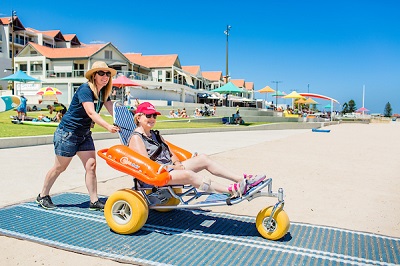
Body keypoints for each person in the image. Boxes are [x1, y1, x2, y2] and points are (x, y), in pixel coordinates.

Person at [128, 102, 266, 197]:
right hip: (156, 175)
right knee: (189, 175)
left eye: (154, 116)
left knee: (203, 158)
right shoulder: (136, 138)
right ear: (139, 117)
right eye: (149, 115)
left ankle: (241, 180)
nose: (152, 118)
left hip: (169, 170)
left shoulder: (155, 134)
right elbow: (147, 166)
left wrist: (177, 164)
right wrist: (173, 168)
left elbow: (170, 152)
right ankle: (231, 191)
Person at [36, 61, 120, 210]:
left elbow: (112, 109)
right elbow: (91, 112)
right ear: (94, 75)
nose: (105, 76)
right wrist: (107, 126)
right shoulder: (85, 89)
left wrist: (127, 120)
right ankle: (43, 195)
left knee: (91, 166)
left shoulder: (103, 92)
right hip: (68, 133)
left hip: (84, 134)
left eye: (107, 73)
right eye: (101, 73)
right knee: (59, 167)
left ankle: (94, 201)